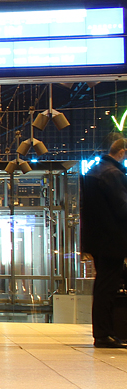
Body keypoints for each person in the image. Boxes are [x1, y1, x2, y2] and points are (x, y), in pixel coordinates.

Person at [79, 137, 127, 348]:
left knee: (102, 286)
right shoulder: (113, 174)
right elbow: (122, 207)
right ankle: (104, 334)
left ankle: (104, 332)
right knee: (107, 287)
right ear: (122, 152)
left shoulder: (95, 171)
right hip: (113, 240)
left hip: (99, 240)